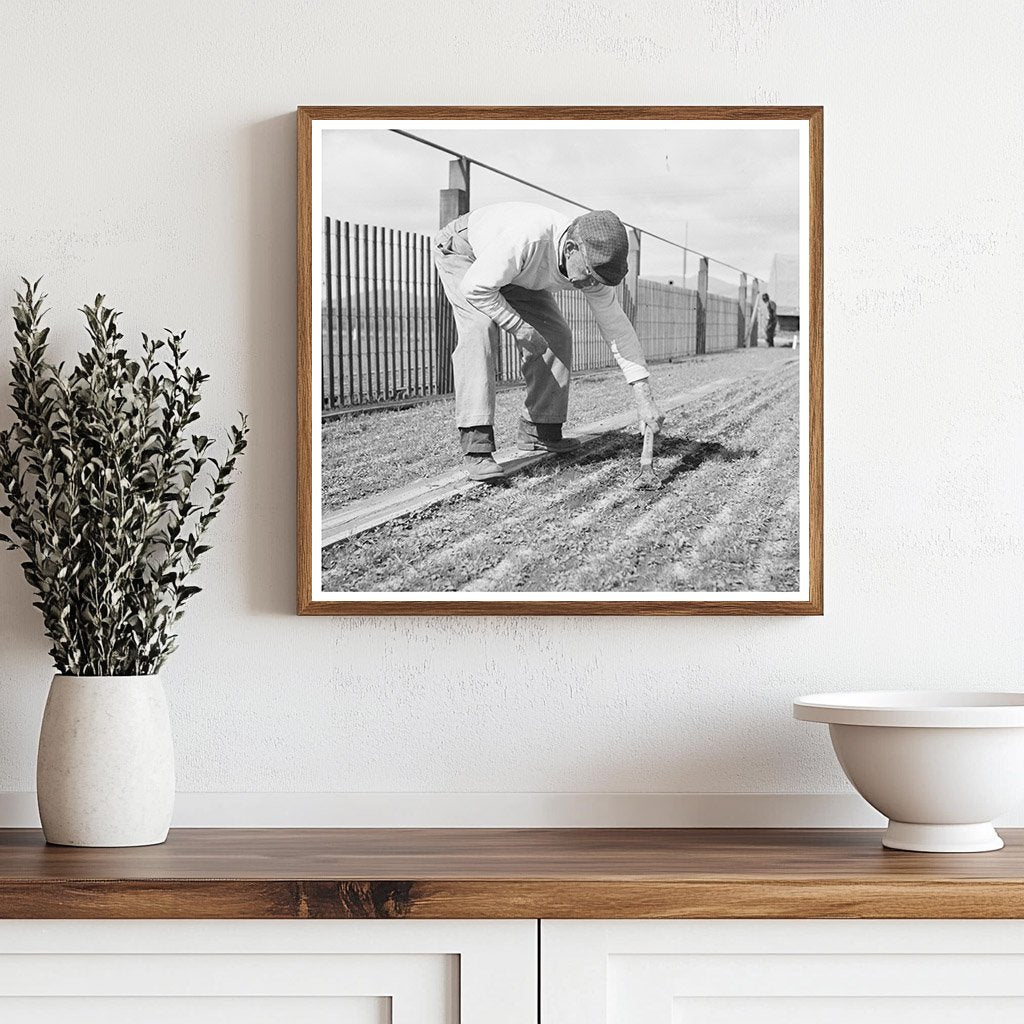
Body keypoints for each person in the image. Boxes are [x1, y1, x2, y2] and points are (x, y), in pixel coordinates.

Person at [432, 202, 664, 482]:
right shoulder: (527, 239)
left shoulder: (592, 267)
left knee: (556, 334)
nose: (592, 284)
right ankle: (476, 446)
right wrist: (517, 326)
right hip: (464, 251)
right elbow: (475, 288)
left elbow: (618, 329)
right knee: (480, 329)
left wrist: (644, 399)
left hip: (513, 270)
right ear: (570, 249)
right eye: (589, 274)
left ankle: (538, 430)